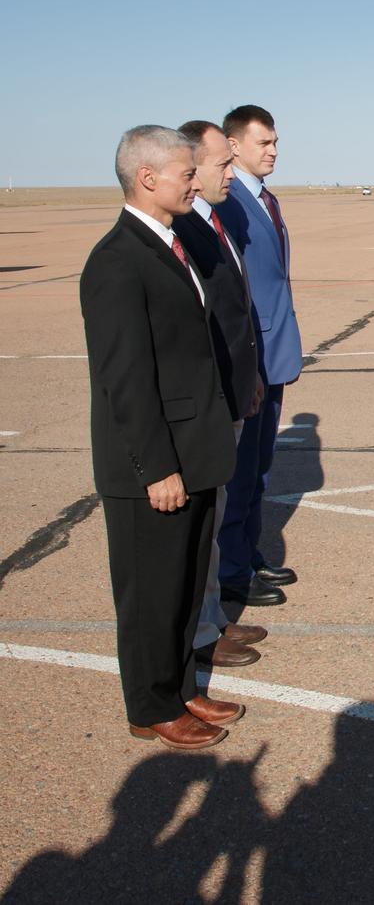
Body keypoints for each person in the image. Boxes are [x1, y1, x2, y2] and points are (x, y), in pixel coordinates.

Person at [80, 125, 245, 749]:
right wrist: (156, 468)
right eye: (185, 171)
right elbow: (124, 378)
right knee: (151, 593)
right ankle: (151, 707)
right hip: (153, 464)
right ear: (147, 178)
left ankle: (181, 689)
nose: (195, 180)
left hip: (192, 451)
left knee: (181, 584)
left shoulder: (171, 245)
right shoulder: (117, 260)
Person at [173, 120, 271, 669]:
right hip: (209, 403)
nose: (229, 172)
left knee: (217, 518)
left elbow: (236, 314)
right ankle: (202, 631)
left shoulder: (215, 221)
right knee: (204, 528)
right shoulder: (186, 231)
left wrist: (249, 374)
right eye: (220, 164)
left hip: (234, 392)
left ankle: (212, 622)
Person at [216, 105, 303, 606]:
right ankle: (231, 572)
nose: (273, 151)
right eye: (263, 143)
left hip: (273, 352)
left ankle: (247, 555)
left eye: (275, 143)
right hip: (251, 357)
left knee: (259, 466)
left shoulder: (264, 199)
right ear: (233, 145)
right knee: (240, 468)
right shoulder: (229, 203)